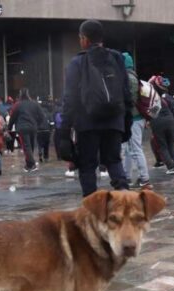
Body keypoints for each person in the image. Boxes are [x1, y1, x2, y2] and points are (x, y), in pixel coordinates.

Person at [58, 20, 131, 196]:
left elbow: (70, 99)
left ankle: (92, 209)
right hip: (114, 120)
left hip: (87, 123)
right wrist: (125, 121)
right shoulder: (117, 58)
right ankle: (126, 202)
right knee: (114, 161)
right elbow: (126, 92)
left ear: (84, 39)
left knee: (87, 166)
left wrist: (64, 130)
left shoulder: (77, 62)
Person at [120, 52, 151, 188]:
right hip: (134, 118)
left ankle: (144, 178)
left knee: (135, 149)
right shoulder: (132, 76)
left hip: (134, 118)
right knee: (128, 149)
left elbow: (129, 100)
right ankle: (127, 176)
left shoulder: (128, 78)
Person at [9, 88, 46, 173]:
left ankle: (32, 164)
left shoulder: (17, 105)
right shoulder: (35, 104)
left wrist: (9, 128)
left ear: (20, 95)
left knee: (26, 147)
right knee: (31, 146)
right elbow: (42, 116)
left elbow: (13, 117)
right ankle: (28, 164)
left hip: (22, 128)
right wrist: (38, 124)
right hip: (33, 127)